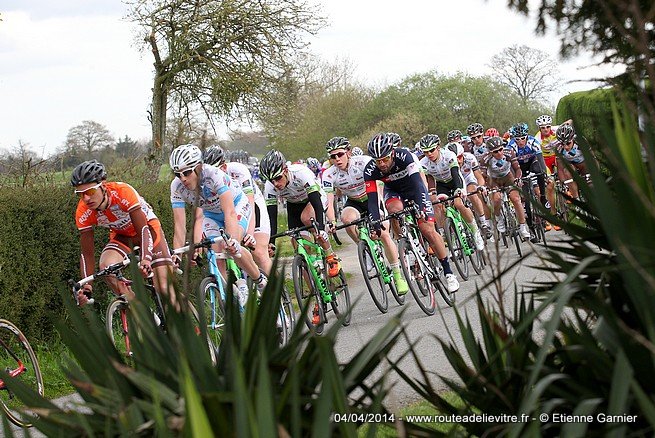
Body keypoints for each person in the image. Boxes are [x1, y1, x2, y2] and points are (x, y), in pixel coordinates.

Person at [363, 132, 460, 293]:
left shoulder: (404, 156)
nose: (382, 164)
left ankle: (448, 273)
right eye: (378, 161)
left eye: (385, 159)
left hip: (414, 189)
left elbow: (418, 183)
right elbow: (372, 200)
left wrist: (421, 208)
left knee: (427, 229)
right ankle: (407, 242)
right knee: (393, 210)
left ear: (392, 153)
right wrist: (375, 223)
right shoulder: (370, 169)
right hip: (393, 191)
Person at [71, 160, 176, 307]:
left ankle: (185, 321)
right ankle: (140, 311)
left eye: (90, 191)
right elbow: (87, 254)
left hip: (149, 231)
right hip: (123, 237)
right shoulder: (83, 211)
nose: (86, 198)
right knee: (106, 267)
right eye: (80, 194)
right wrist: (87, 286)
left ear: (103, 185)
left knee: (164, 288)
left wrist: (146, 259)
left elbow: (143, 230)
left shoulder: (123, 192)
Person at [169, 144, 267, 293]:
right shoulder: (176, 187)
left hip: (236, 206)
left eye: (187, 173)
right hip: (211, 215)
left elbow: (230, 213)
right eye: (178, 174)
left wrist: (233, 239)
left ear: (199, 168)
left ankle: (259, 280)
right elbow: (179, 226)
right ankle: (231, 296)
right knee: (215, 255)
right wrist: (178, 254)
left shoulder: (214, 175)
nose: (182, 179)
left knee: (232, 247)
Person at [321, 136, 409, 294]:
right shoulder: (329, 174)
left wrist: (379, 212)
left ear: (348, 152)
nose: (337, 159)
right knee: (346, 219)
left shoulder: (364, 162)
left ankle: (398, 276)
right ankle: (365, 249)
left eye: (340, 154)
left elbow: (379, 187)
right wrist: (331, 221)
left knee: (383, 234)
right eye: (333, 156)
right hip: (354, 201)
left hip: (373, 197)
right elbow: (329, 199)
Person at [259, 149, 342, 277]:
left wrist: (321, 229)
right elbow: (272, 216)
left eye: (278, 178)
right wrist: (272, 242)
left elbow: (316, 203)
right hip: (294, 206)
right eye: (271, 180)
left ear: (285, 170)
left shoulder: (301, 173)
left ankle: (330, 255)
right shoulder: (270, 187)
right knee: (300, 249)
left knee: (307, 218)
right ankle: (314, 286)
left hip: (314, 199)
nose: (275, 184)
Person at [203, 145, 272, 275]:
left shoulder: (238, 171)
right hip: (226, 208)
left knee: (259, 252)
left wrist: (250, 233)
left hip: (251, 203)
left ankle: (275, 286)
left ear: (224, 167)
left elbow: (249, 203)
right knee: (220, 249)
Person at [418, 136, 485, 251]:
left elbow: (455, 173)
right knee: (437, 205)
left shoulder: (448, 155)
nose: (429, 154)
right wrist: (430, 193)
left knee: (458, 204)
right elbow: (428, 179)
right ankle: (445, 234)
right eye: (425, 152)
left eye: (431, 150)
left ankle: (475, 232)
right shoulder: (423, 162)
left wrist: (459, 190)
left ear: (438, 147)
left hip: (455, 181)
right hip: (441, 185)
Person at [482, 137, 531, 240]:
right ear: (490, 152)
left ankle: (523, 228)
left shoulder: (509, 153)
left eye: (501, 149)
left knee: (516, 199)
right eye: (495, 152)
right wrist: (485, 186)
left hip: (508, 177)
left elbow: (517, 169)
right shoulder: (486, 159)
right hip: (494, 180)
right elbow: (483, 176)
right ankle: (499, 218)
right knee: (496, 199)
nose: (499, 153)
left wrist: (518, 178)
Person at [446, 141, 492, 240]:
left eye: (459, 157)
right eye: (455, 158)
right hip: (456, 183)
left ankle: (483, 223)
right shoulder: (446, 162)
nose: (458, 161)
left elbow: (478, 176)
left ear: (463, 154)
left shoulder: (470, 158)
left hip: (468, 179)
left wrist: (481, 186)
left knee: (473, 194)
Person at [555, 124, 588, 200]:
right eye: (562, 144)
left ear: (573, 138)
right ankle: (577, 199)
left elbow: (592, 158)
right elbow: (560, 168)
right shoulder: (559, 148)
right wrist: (563, 183)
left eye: (568, 143)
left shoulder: (581, 142)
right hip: (571, 165)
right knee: (567, 171)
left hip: (583, 164)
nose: (565, 147)